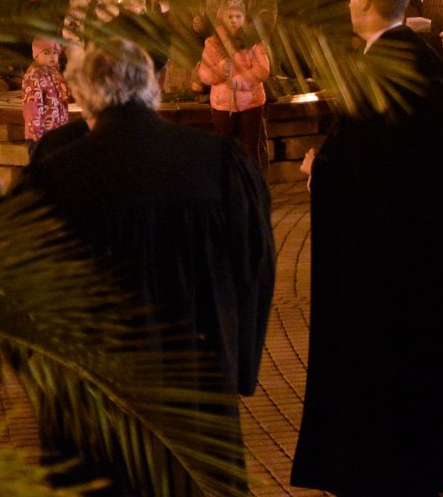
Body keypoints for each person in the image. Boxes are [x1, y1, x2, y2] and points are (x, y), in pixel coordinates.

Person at [18, 41, 274, 493]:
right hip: (197, 380)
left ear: (83, 94)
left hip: (92, 394)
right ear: (152, 86)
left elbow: (20, 290)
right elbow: (254, 265)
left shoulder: (53, 177)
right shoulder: (218, 163)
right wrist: (240, 363)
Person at [293, 0, 443, 497]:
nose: (347, 3)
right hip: (415, 247)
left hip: (378, 254)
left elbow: (370, 163)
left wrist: (322, 169)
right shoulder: (419, 56)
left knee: (378, 365)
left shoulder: (382, 64)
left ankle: (375, 464)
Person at [198, 0, 271, 170]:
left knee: (250, 147)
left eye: (238, 16)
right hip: (223, 104)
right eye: (230, 16)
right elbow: (204, 73)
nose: (234, 20)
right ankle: (227, 186)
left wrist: (239, 81)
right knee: (224, 147)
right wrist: (220, 71)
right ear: (222, 17)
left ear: (244, 18)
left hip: (251, 101)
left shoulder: (253, 42)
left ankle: (253, 186)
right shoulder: (213, 42)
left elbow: (262, 69)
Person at [18, 36, 70, 144]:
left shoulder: (54, 74)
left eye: (55, 52)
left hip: (56, 131)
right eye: (46, 53)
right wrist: (35, 134)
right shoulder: (34, 77)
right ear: (36, 56)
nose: (52, 56)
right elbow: (32, 106)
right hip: (40, 135)